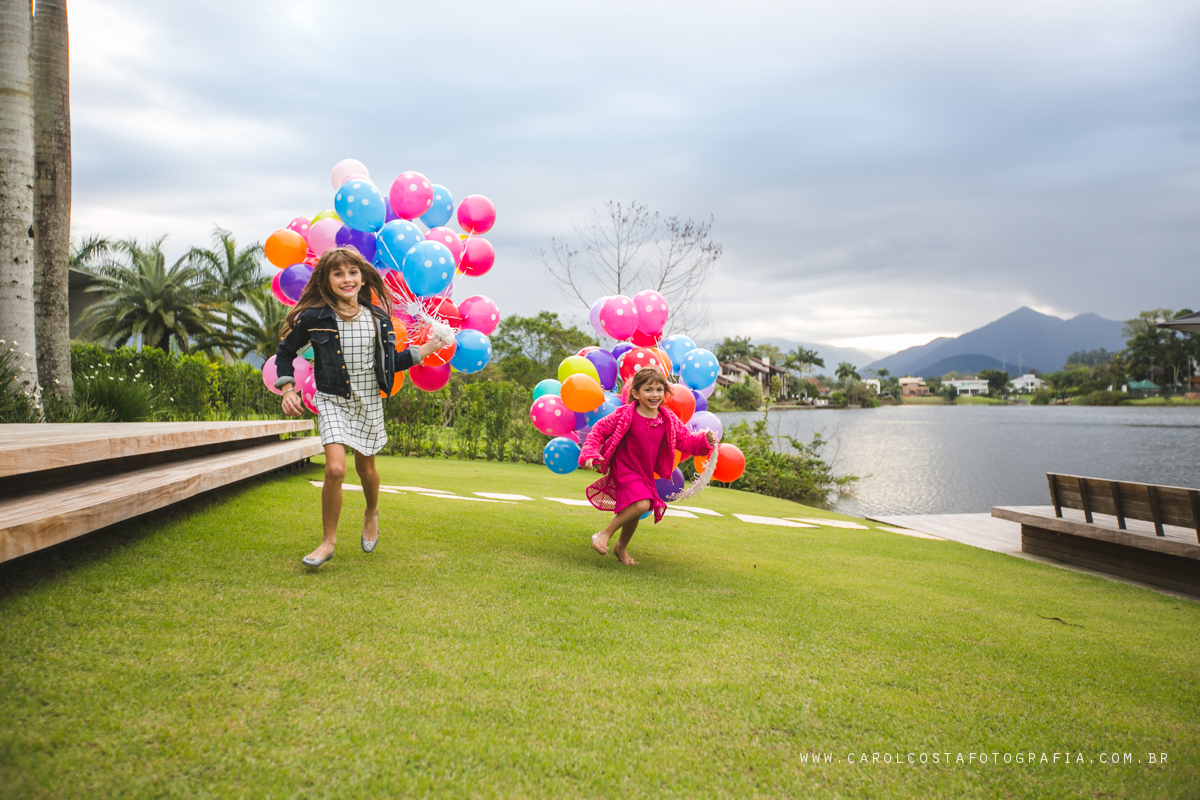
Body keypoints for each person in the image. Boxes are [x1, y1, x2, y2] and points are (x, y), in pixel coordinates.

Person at [274, 247, 446, 567]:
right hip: (332, 400)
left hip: (368, 400)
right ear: (326, 280)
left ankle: (371, 512)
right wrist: (287, 388)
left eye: (352, 272)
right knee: (336, 468)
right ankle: (328, 542)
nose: (346, 278)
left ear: (363, 277)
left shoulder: (379, 319)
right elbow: (285, 352)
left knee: (366, 470)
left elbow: (389, 362)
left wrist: (426, 349)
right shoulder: (315, 318)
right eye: (337, 273)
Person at [579, 367, 717, 565]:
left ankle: (621, 548)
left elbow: (686, 442)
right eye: (648, 390)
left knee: (635, 508)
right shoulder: (625, 415)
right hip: (624, 468)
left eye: (659, 390)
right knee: (642, 504)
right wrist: (590, 453)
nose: (655, 395)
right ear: (636, 393)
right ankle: (603, 534)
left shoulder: (668, 419)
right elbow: (599, 430)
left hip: (644, 472)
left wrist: (704, 440)